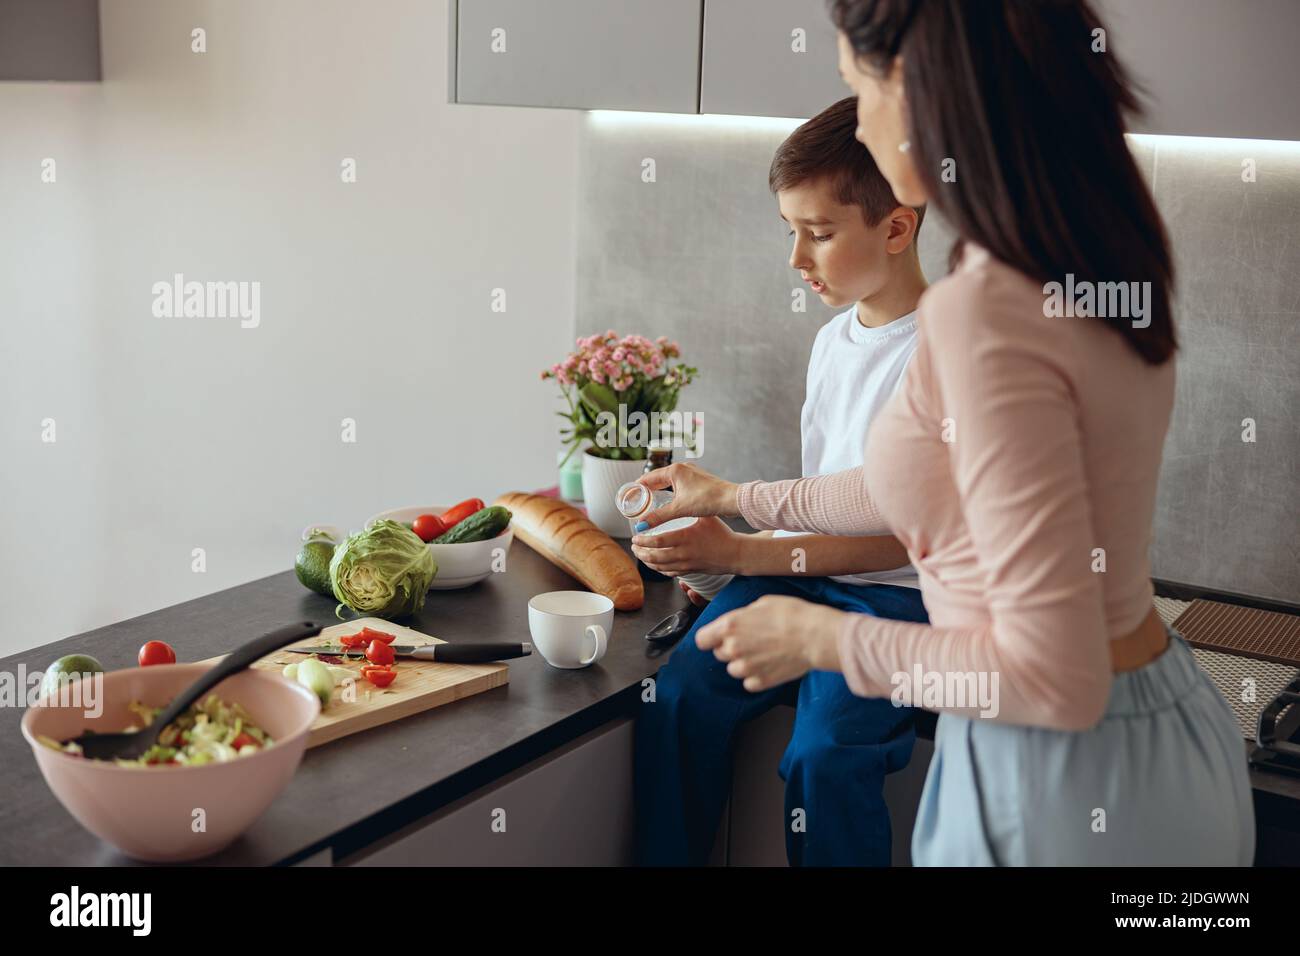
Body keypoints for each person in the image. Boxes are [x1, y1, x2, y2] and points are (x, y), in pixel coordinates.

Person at [635, 0, 1254, 866]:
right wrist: (741, 505)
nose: (861, 115)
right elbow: (904, 484)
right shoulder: (1098, 255)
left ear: (922, 98)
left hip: (1067, 783)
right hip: (1162, 732)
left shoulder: (984, 310)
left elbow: (1054, 679)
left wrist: (820, 638)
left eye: (860, 86)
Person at [633, 97, 933, 867]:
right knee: (677, 698)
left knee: (826, 755)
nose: (797, 259)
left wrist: (740, 540)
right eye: (791, 231)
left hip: (901, 600)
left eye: (821, 234)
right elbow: (823, 501)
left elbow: (893, 536)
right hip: (806, 576)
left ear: (897, 228)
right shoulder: (834, 341)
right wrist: (730, 560)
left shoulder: (943, 353)